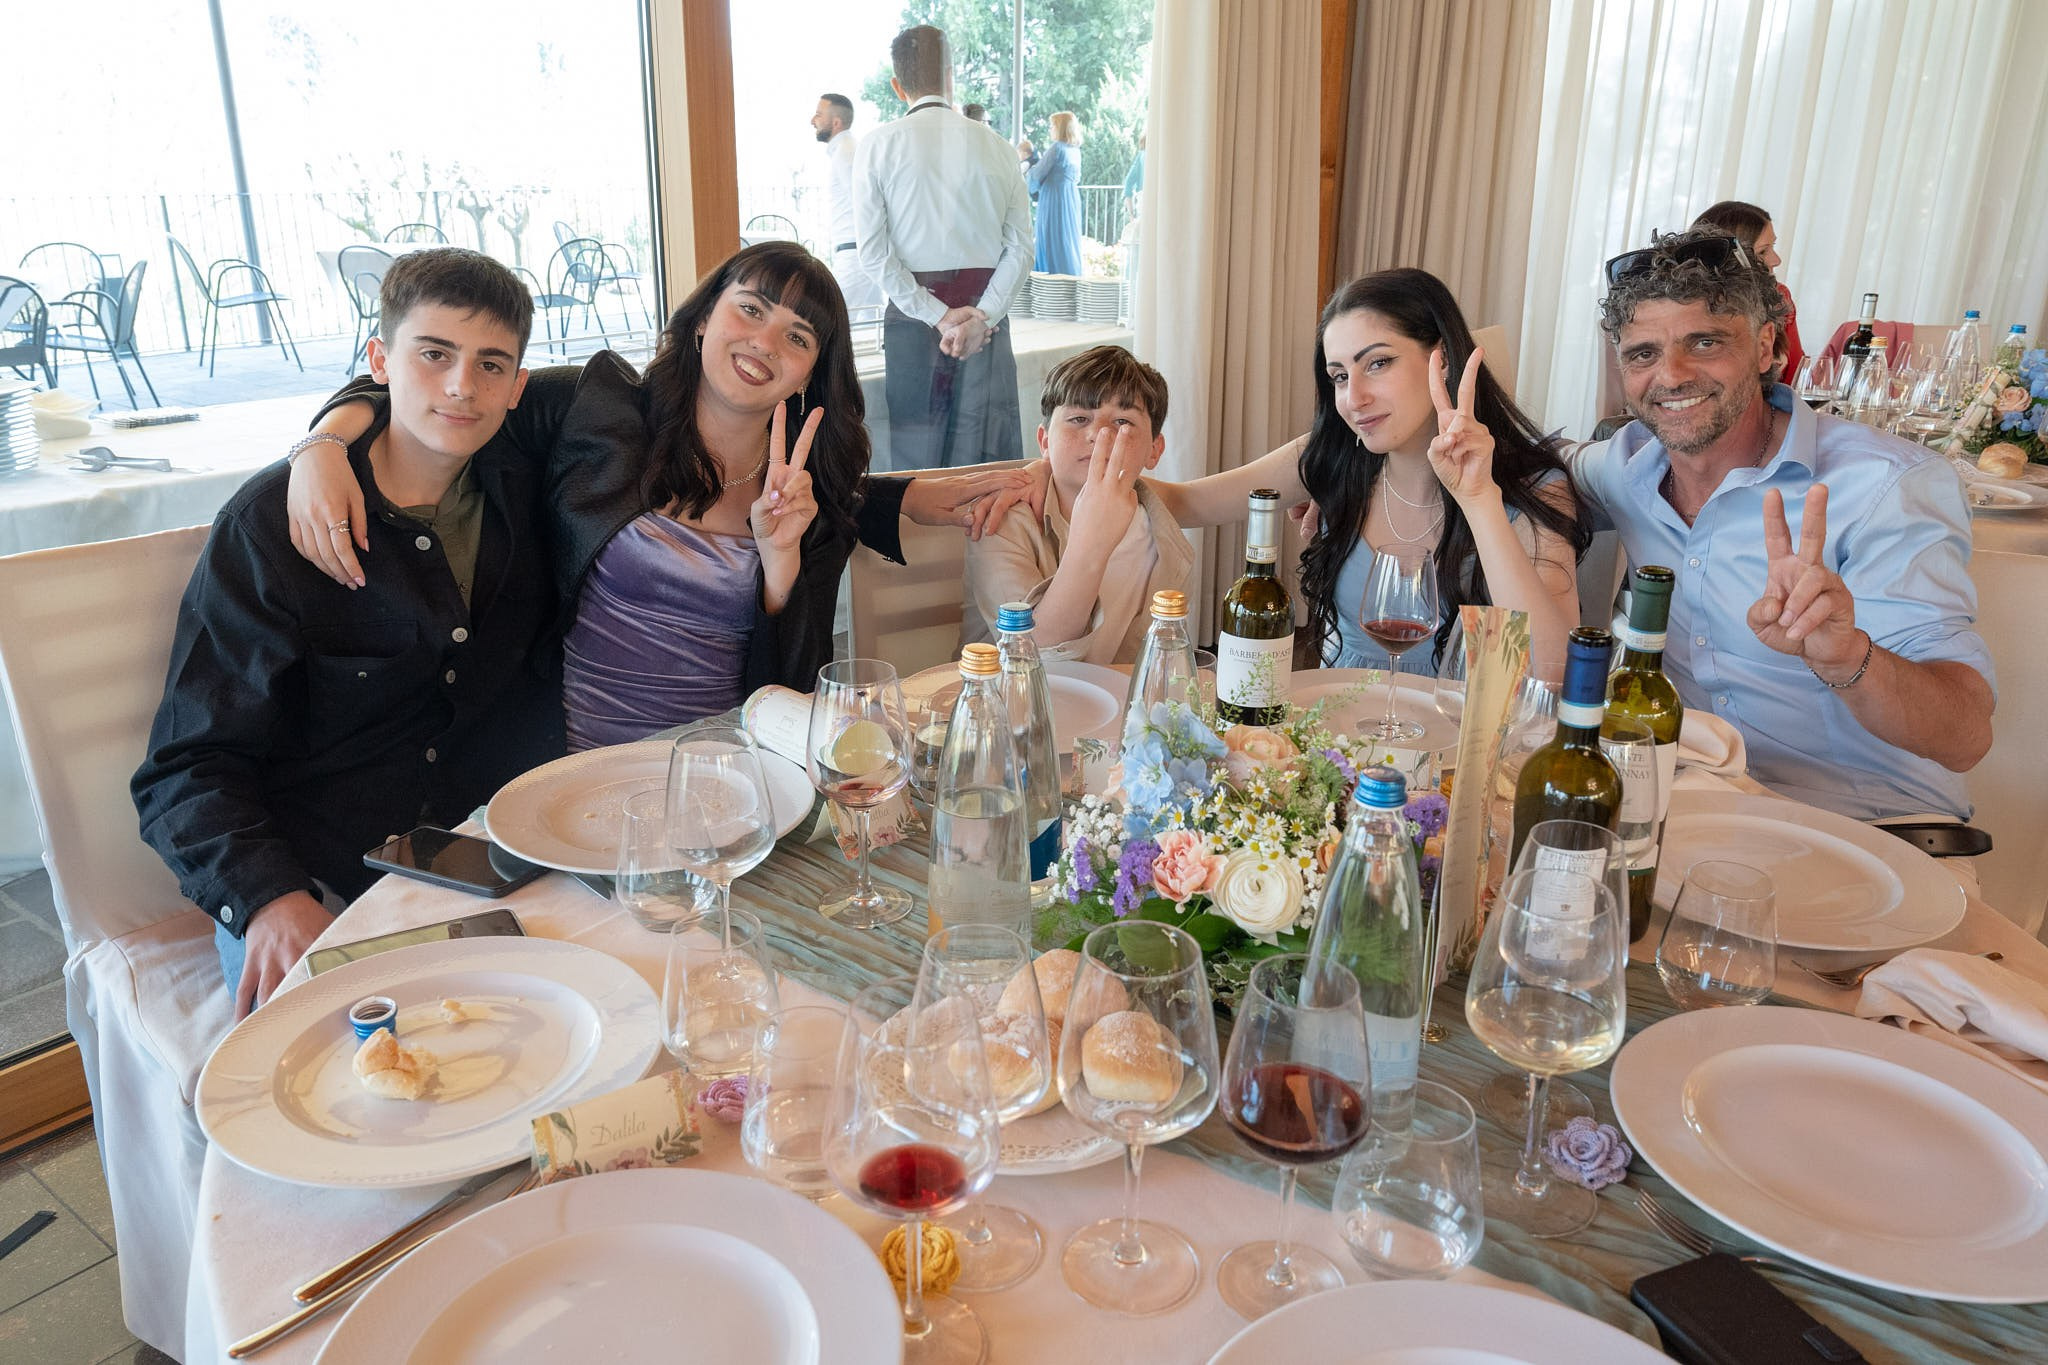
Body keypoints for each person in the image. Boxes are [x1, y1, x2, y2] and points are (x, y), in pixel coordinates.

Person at [283, 242, 1036, 750]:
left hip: (729, 777)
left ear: (809, 373)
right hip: (564, 762)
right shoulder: (602, 411)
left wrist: (784, 562)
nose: (765, 343)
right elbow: (456, 388)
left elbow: (788, 686)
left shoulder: (811, 506)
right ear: (706, 314)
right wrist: (322, 443)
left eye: (798, 336)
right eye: (750, 309)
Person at [133, 249, 563, 1015]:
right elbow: (187, 765)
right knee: (346, 1085)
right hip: (318, 873)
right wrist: (270, 899)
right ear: (379, 360)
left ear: (517, 386)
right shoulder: (273, 522)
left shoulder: (529, 489)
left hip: (488, 861)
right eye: (434, 354)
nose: (463, 385)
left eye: (492, 364)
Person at [1572, 226, 1994, 821]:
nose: (1670, 375)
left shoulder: (1886, 485)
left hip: (1870, 828)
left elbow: (1966, 737)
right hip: (1695, 814)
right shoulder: (1624, 468)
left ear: (1767, 346)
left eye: (1705, 342)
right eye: (1642, 353)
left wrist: (1847, 658)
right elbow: (1523, 464)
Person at [1146, 269, 1586, 682]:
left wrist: (1479, 501)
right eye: (1339, 376)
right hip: (1338, 737)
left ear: (1444, 359)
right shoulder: (1334, 459)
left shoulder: (1534, 487)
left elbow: (1551, 671)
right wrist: (1092, 458)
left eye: (1377, 363)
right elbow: (1186, 503)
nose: (1354, 398)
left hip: (1456, 746)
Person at [854, 24, 1033, 469]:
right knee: (991, 459)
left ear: (898, 85)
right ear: (951, 75)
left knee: (919, 461)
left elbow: (874, 255)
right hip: (984, 320)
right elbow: (1022, 249)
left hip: (917, 321)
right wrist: (982, 316)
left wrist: (938, 315)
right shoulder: (999, 147)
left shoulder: (877, 145)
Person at [962, 345, 1190, 663]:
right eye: (1079, 418)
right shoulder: (1000, 519)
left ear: (1154, 449)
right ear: (1044, 441)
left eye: (1123, 422)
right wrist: (1092, 541)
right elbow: (1030, 655)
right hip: (1012, 704)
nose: (1099, 434)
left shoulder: (1157, 517)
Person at [1691, 199, 1803, 382]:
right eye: (1763, 252)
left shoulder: (1779, 298)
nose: (1776, 260)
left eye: (1772, 247)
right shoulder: (1684, 308)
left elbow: (1797, 379)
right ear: (1729, 258)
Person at [811, 91, 882, 315]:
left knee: (830, 317)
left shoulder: (846, 152)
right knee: (870, 326)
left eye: (818, 115)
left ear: (836, 122)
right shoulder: (846, 150)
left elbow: (865, 201)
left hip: (855, 254)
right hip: (860, 252)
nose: (813, 120)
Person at [1029, 111, 1084, 276]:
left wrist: (1028, 174)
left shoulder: (1057, 148)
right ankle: (1070, 276)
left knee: (1050, 239)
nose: (1050, 129)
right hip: (1070, 199)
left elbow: (1038, 174)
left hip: (1053, 199)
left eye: (1052, 125)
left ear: (1059, 127)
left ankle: (1049, 279)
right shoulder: (1075, 150)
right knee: (1067, 241)